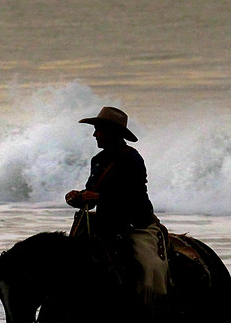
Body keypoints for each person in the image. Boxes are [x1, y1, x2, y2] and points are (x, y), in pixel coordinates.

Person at [65, 106, 169, 306]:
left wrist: (98, 197)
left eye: (99, 130)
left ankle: (149, 309)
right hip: (106, 224)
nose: (95, 134)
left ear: (112, 133)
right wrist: (78, 197)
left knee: (149, 269)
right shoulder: (98, 160)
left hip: (134, 224)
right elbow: (92, 194)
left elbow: (134, 198)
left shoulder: (132, 159)